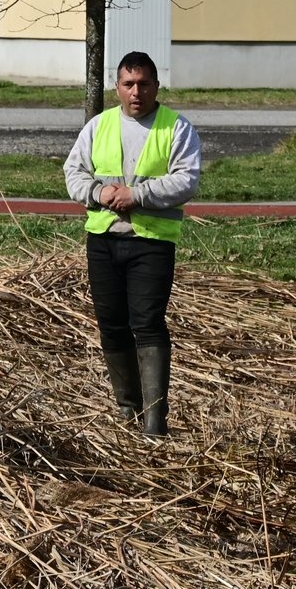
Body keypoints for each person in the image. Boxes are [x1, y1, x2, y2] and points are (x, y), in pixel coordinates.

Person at [62, 51, 202, 438]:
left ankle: (155, 423)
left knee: (148, 325)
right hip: (103, 240)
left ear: (156, 85)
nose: (135, 92)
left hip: (152, 243)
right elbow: (73, 172)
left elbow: (186, 180)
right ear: (117, 87)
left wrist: (136, 195)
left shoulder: (176, 127)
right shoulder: (99, 125)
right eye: (128, 84)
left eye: (143, 84)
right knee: (111, 326)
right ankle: (128, 411)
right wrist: (99, 191)